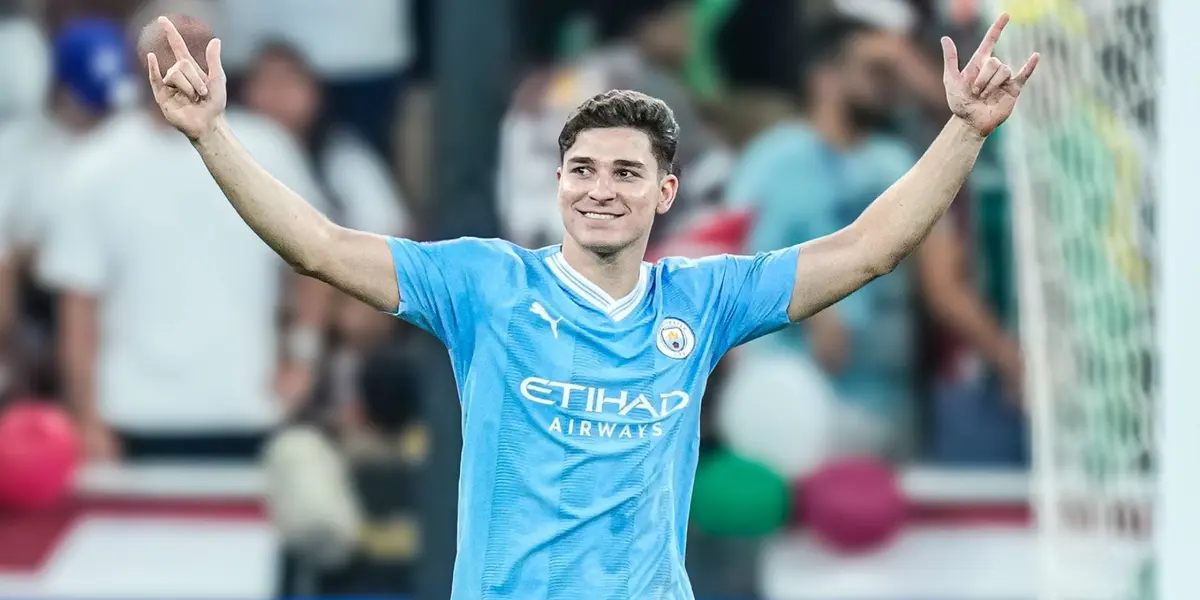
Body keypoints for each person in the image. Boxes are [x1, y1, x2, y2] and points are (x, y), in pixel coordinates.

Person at [144, 12, 1037, 599]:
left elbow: (869, 248)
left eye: (624, 172)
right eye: (581, 169)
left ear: (664, 192)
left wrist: (963, 131)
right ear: (559, 181)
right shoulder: (486, 285)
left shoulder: (703, 296)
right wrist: (212, 135)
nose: (599, 188)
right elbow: (319, 246)